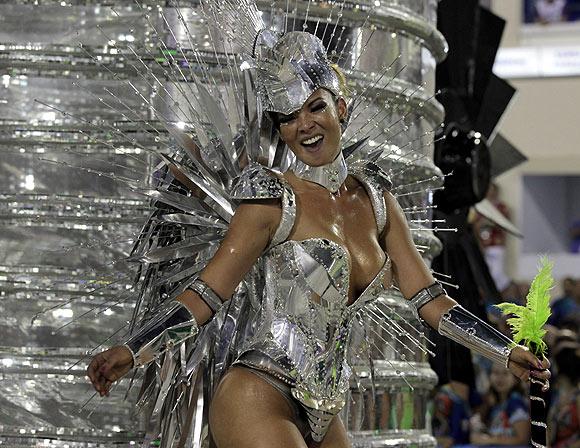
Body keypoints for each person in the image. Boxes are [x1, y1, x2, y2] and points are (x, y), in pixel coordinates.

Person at [86, 31, 550, 448]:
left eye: (314, 107)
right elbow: (206, 294)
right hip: (258, 390)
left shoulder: (378, 201)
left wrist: (504, 352)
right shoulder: (272, 199)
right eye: (287, 117)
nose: (303, 125)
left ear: (340, 107)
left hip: (325, 407)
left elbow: (430, 300)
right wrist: (135, 348)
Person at [470, 364, 530, 446]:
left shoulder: (516, 403)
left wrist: (489, 440)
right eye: (496, 373)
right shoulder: (497, 404)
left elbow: (523, 439)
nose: (500, 378)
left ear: (516, 379)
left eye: (505, 373)